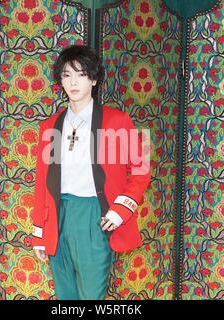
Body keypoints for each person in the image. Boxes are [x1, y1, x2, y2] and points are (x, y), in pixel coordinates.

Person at [31, 45, 151, 300]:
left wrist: (120, 210)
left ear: (94, 79)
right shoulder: (49, 126)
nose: (73, 82)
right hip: (57, 216)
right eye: (66, 75)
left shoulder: (117, 121)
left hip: (95, 216)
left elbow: (141, 170)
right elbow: (42, 183)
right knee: (65, 294)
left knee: (91, 295)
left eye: (81, 74)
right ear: (60, 80)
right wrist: (39, 233)